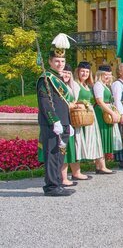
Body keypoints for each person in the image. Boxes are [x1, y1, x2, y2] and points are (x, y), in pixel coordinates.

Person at [37, 34, 75, 196]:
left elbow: (63, 103)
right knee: (52, 155)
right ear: (50, 62)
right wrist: (55, 122)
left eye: (63, 61)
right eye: (57, 61)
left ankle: (58, 183)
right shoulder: (45, 79)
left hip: (64, 122)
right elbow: (46, 103)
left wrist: (68, 123)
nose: (60, 64)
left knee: (60, 155)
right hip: (52, 124)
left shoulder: (58, 79)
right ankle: (51, 187)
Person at [73, 62, 109, 174]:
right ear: (78, 72)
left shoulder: (87, 86)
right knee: (78, 141)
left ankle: (100, 166)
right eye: (82, 71)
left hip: (89, 114)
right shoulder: (75, 84)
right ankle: (77, 172)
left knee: (94, 139)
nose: (85, 73)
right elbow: (72, 100)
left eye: (87, 72)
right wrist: (81, 103)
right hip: (80, 114)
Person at [61, 64, 90, 183]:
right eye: (64, 73)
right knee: (63, 148)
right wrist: (73, 105)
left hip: (71, 119)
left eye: (68, 73)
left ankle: (75, 172)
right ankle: (63, 178)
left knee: (72, 147)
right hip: (62, 119)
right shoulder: (59, 86)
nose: (66, 75)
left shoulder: (71, 86)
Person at [92, 64, 121, 173]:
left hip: (106, 111)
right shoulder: (98, 85)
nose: (108, 76)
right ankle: (101, 166)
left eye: (109, 74)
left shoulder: (105, 85)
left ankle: (100, 165)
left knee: (104, 137)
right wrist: (111, 113)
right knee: (101, 137)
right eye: (105, 74)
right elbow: (99, 101)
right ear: (100, 75)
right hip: (101, 112)